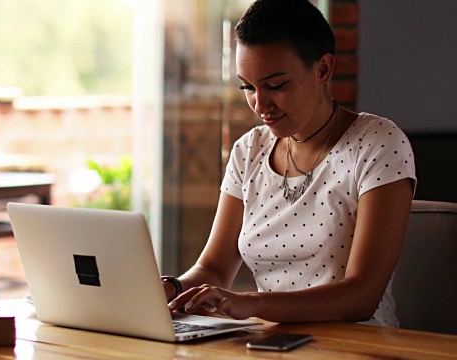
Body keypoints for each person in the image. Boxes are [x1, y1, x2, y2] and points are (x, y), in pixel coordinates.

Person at [161, 0, 416, 327]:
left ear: (323, 69)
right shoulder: (249, 150)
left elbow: (361, 296)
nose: (259, 104)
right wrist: (173, 287)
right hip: (272, 345)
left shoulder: (378, 143)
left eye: (276, 86)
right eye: (247, 87)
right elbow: (213, 268)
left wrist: (247, 304)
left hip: (357, 348)